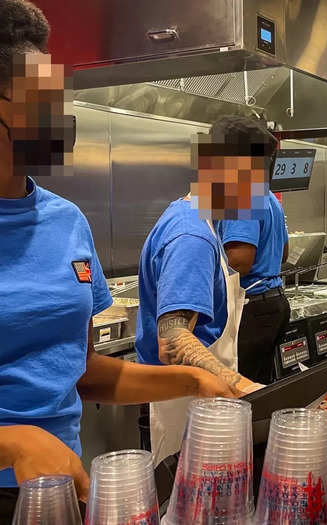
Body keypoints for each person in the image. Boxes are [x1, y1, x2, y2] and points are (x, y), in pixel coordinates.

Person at [0, 1, 235, 517]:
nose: (60, 118)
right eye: (42, 102)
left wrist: (194, 380)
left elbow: (79, 374)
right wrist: (12, 443)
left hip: (56, 489)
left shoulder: (65, 222)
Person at [135, 115, 273, 466]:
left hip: (201, 402)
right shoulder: (192, 236)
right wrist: (242, 386)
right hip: (186, 407)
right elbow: (172, 339)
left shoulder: (200, 221)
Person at [217, 117, 290, 384]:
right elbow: (284, 253)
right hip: (274, 303)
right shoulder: (267, 194)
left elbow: (240, 261)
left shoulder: (241, 191)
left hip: (251, 308)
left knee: (238, 395)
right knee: (259, 393)